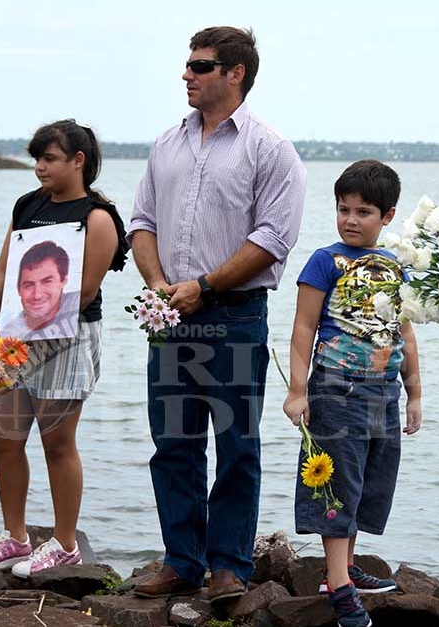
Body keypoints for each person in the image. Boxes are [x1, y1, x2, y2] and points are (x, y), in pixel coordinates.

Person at [129, 26, 306, 602]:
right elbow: (142, 224)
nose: (187, 74)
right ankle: (182, 560)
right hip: (170, 316)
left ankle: (228, 565)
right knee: (174, 443)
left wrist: (204, 286)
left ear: (235, 74)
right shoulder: (165, 145)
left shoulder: (270, 148)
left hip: (234, 313)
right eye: (187, 65)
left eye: (200, 66)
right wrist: (160, 287)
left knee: (235, 445)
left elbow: (273, 238)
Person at [0, 120, 127, 577]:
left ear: (78, 161)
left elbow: (85, 292)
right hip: (14, 338)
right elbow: (5, 267)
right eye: (36, 158)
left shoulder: (97, 218)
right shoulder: (27, 205)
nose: (39, 167)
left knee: (57, 442)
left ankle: (65, 543)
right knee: (4, 437)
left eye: (50, 159)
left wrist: (23, 333)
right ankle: (15, 537)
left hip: (67, 339)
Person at [284, 160, 421, 627]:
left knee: (368, 482)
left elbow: (405, 332)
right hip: (336, 387)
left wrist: (415, 394)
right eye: (344, 209)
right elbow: (303, 328)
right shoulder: (325, 261)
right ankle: (339, 585)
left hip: (384, 390)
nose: (350, 219)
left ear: (388, 216)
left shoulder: (396, 266)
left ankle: (342, 568)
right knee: (336, 481)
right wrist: (296, 391)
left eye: (363, 211)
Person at [0, 240, 81, 339]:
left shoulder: (75, 303)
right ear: (19, 289)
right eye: (29, 285)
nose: (37, 295)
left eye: (47, 281)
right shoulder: (8, 334)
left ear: (63, 281)